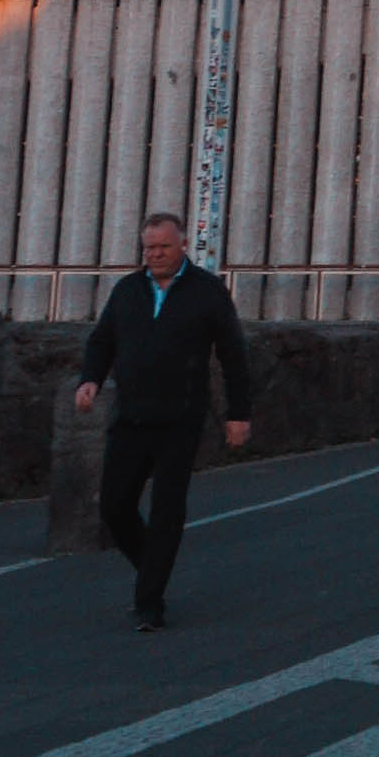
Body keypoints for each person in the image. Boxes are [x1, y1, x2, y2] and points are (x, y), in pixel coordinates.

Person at [75, 210, 254, 632]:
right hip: (131, 415)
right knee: (114, 506)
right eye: (149, 248)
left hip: (180, 417)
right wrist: (90, 379)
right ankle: (151, 568)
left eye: (163, 247)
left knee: (167, 510)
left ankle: (149, 602)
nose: (155, 254)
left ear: (183, 246)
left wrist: (239, 414)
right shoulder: (127, 290)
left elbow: (233, 355)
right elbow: (102, 340)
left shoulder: (207, 291)